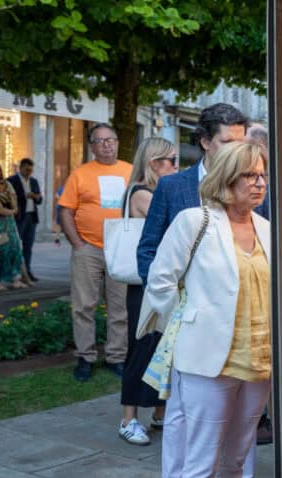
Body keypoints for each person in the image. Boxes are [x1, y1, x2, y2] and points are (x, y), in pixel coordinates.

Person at [138, 141, 271, 478]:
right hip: (208, 362)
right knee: (200, 465)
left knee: (236, 461)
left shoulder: (266, 228)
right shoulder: (194, 221)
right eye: (250, 175)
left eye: (262, 175)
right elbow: (160, 282)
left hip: (258, 362)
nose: (260, 183)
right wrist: (189, 322)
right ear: (227, 178)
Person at [58, 123, 131, 382]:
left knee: (120, 306)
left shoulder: (131, 171)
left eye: (111, 139)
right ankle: (85, 357)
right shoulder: (80, 174)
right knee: (83, 305)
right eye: (100, 141)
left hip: (120, 249)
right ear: (91, 146)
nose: (106, 144)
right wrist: (77, 244)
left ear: (117, 143)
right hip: (88, 248)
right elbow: (65, 211)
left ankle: (116, 357)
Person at [118, 137, 178, 446]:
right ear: (154, 163)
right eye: (172, 160)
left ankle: (159, 412)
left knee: (161, 347)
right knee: (141, 347)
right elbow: (173, 227)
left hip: (157, 280)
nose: (176, 167)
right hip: (144, 282)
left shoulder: (152, 192)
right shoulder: (142, 194)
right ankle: (128, 419)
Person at [7, 158, 42, 281]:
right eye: (27, 170)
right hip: (19, 218)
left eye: (31, 170)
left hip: (31, 217)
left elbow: (39, 200)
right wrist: (25, 196)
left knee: (28, 246)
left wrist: (37, 197)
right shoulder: (11, 181)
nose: (29, 173)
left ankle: (27, 271)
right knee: (14, 246)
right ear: (21, 168)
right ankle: (13, 272)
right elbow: (9, 199)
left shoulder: (34, 181)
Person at [0, 174, 26, 290]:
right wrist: (13, 211)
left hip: (10, 229)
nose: (4, 186)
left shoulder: (4, 197)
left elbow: (15, 208)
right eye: (1, 184)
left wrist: (11, 196)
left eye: (4, 183)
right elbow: (1, 211)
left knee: (14, 251)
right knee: (0, 253)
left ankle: (16, 279)